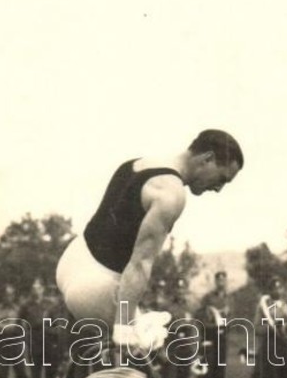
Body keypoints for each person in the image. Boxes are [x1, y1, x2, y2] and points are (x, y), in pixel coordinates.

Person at [56, 130, 243, 351]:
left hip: (71, 261)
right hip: (95, 287)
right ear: (207, 159)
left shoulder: (137, 163)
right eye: (222, 178)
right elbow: (140, 263)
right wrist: (123, 328)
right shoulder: (170, 194)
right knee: (150, 343)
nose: (219, 189)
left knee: (128, 337)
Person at [0, 285, 29, 378]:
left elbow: (22, 325)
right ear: (2, 296)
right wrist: (11, 326)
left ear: (14, 296)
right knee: (1, 372)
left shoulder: (18, 309)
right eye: (6, 294)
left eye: (11, 294)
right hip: (0, 342)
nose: (8, 297)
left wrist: (4, 325)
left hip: (15, 342)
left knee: (20, 370)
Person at [196, 270, 230, 378]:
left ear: (226, 281)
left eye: (223, 280)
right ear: (215, 282)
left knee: (221, 359)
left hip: (223, 331)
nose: (221, 282)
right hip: (210, 330)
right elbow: (200, 314)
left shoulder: (229, 297)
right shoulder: (208, 297)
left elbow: (232, 315)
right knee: (209, 358)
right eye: (219, 280)